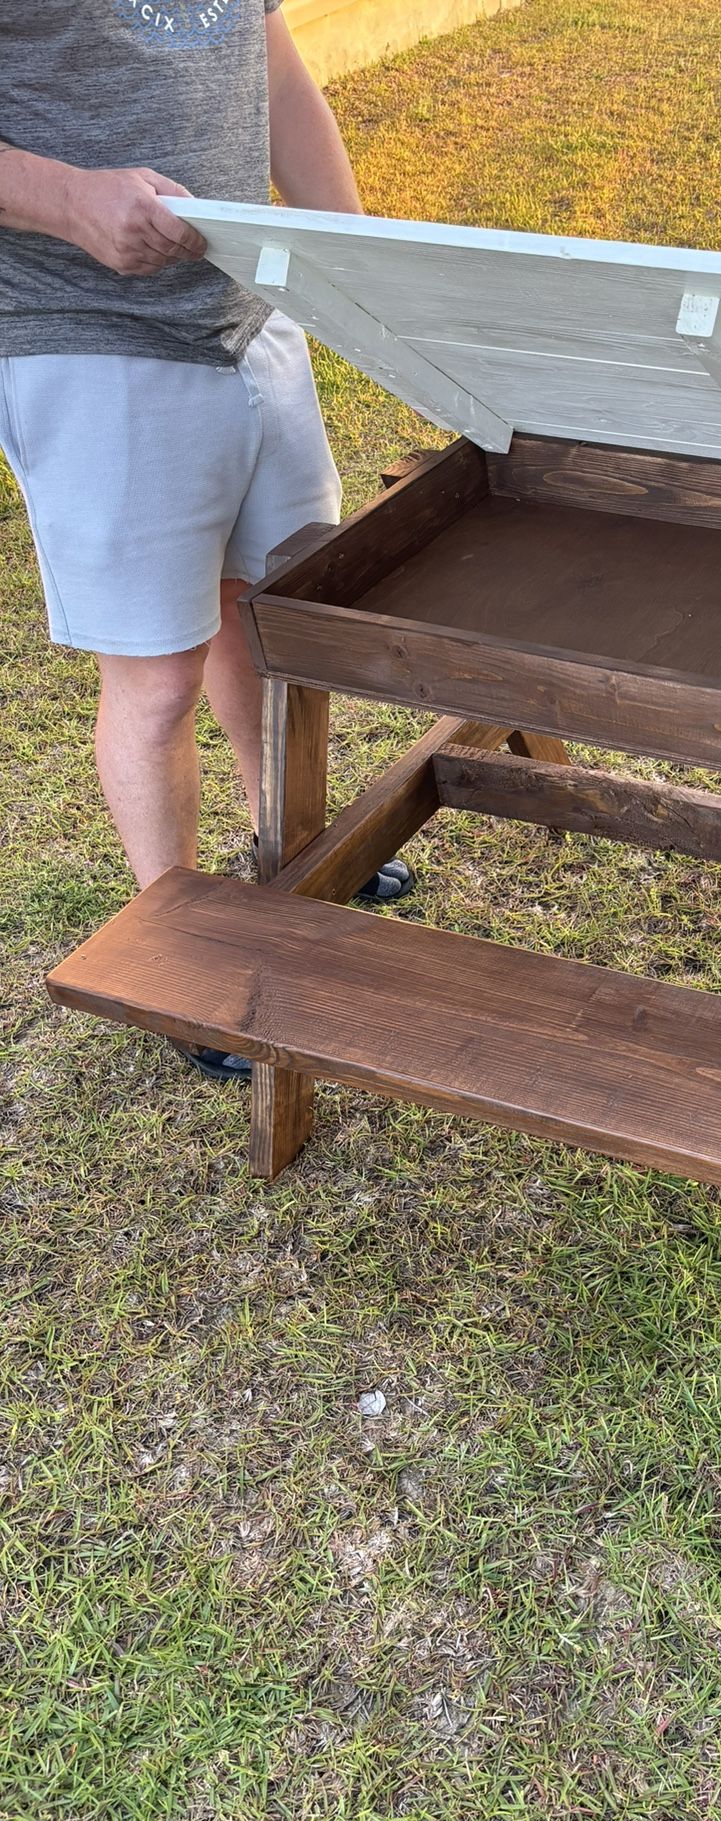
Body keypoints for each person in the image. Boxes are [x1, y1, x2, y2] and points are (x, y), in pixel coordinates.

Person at [0, 1, 412, 1080]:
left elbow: (267, 59)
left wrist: (356, 257)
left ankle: (293, 847)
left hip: (249, 314)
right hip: (88, 341)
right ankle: (180, 955)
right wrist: (64, 199)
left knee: (270, 616)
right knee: (157, 678)